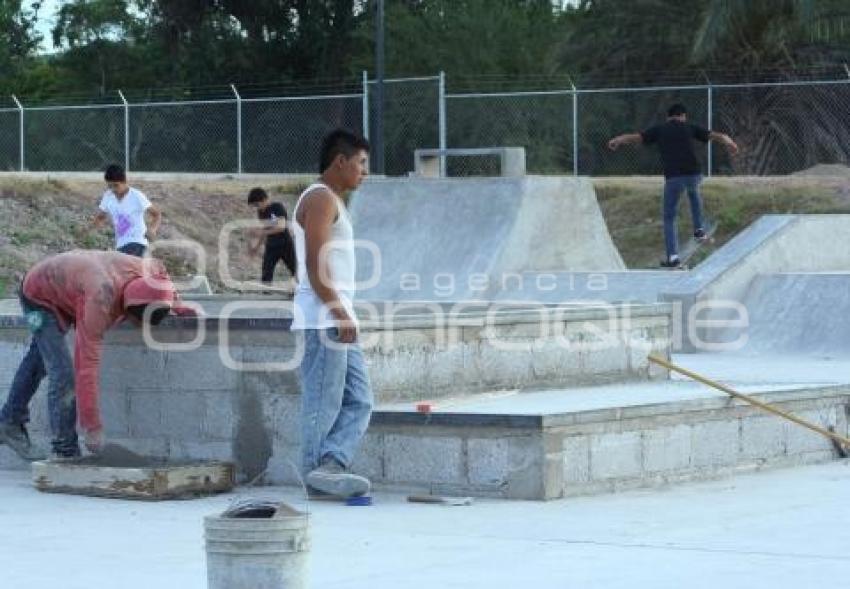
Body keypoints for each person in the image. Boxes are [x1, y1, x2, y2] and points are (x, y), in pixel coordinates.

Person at [0, 250, 193, 461]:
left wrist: (181, 309)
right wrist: (93, 427)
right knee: (63, 374)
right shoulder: (100, 299)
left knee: (41, 358)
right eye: (133, 320)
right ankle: (65, 451)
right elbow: (86, 368)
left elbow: (165, 287)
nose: (136, 326)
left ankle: (9, 421)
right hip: (38, 294)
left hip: (71, 284)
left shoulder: (152, 273)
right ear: (125, 308)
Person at [290, 129, 373, 499]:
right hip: (325, 318)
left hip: (337, 316)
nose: (364, 172)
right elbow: (314, 264)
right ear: (340, 161)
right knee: (322, 401)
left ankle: (331, 465)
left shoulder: (331, 200)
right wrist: (339, 312)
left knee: (359, 399)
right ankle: (313, 475)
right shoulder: (321, 198)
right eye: (361, 163)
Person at [608, 103, 739, 267]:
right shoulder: (689, 127)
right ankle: (699, 230)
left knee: (669, 217)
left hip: (673, 177)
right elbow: (717, 135)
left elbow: (637, 137)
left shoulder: (660, 129)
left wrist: (618, 140)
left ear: (668, 117)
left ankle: (673, 258)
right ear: (683, 116)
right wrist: (730, 143)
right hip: (693, 173)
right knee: (693, 191)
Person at [90, 164, 161, 257]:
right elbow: (101, 216)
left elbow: (156, 214)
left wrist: (152, 229)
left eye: (116, 185)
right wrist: (92, 228)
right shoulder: (108, 196)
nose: (113, 189)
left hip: (137, 242)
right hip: (120, 244)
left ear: (124, 182)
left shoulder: (136, 196)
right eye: (110, 186)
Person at [247, 187, 297, 286]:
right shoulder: (261, 213)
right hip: (271, 247)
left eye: (257, 204)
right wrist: (256, 247)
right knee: (266, 274)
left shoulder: (277, 207)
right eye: (254, 206)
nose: (257, 208)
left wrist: (261, 233)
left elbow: (281, 227)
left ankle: (300, 289)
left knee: (296, 269)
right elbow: (265, 230)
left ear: (264, 199)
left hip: (285, 244)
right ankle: (266, 295)